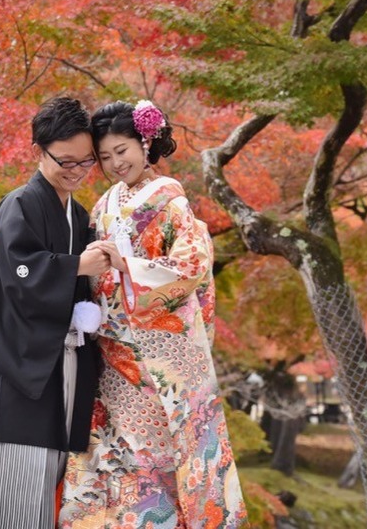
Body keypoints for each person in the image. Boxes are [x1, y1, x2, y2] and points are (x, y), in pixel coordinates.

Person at [59, 100, 246, 528]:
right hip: (110, 351)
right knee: (107, 450)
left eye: (121, 150)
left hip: (154, 359)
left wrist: (130, 267)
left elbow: (192, 267)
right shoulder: (106, 203)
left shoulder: (171, 204)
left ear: (146, 143)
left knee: (152, 457)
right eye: (105, 157)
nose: (114, 163)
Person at [0, 96, 114, 529]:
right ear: (39, 150)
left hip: (57, 376)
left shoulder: (79, 214)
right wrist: (76, 266)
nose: (76, 171)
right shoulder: (20, 205)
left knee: (41, 508)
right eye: (64, 161)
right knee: (4, 508)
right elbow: (21, 276)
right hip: (15, 381)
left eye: (86, 162)